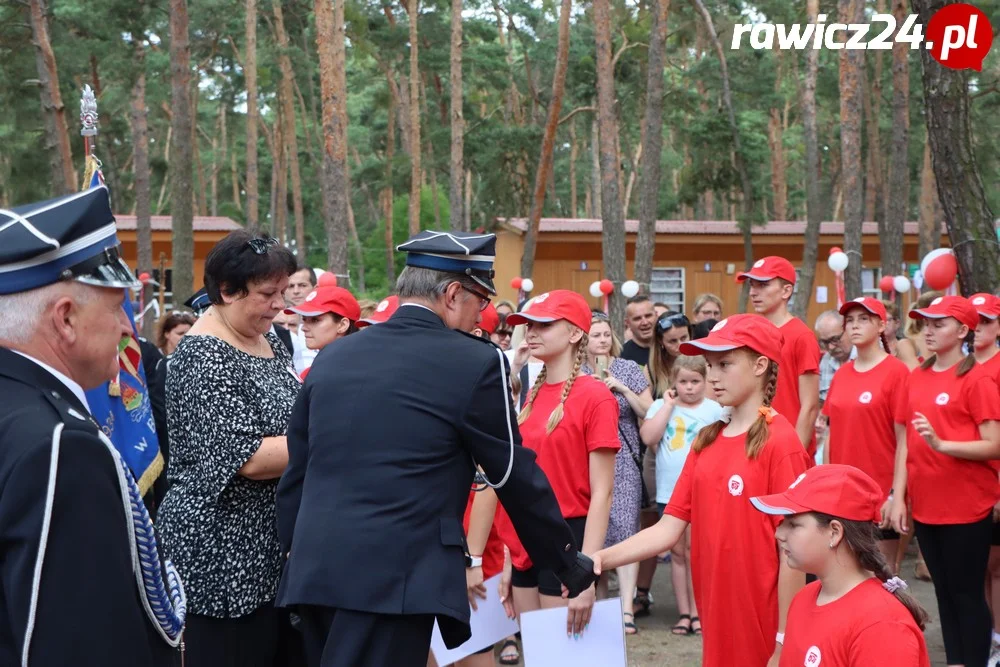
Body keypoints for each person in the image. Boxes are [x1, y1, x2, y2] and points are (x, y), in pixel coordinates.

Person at [275, 231, 597, 667]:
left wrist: (296, 547)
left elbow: (301, 466)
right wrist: (565, 560)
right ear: (451, 294)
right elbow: (510, 474)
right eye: (479, 301)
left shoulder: (336, 357)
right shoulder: (474, 362)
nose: (481, 315)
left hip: (316, 569)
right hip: (394, 577)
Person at [0, 187, 183, 665]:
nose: (128, 326)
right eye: (116, 306)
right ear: (65, 320)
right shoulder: (63, 446)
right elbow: (79, 642)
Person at [593, 314, 810, 667]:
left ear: (760, 365)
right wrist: (600, 560)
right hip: (716, 610)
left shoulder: (780, 442)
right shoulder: (707, 440)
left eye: (724, 363)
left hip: (763, 619)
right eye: (710, 365)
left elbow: (795, 556)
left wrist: (785, 639)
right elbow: (668, 527)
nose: (713, 375)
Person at [156, 230, 303, 666]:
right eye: (268, 294)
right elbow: (250, 459)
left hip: (268, 548)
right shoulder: (201, 357)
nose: (280, 304)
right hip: (222, 553)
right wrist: (331, 438)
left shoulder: (267, 337)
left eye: (282, 291)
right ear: (226, 291)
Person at [491, 291, 618, 634]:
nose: (531, 332)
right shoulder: (532, 393)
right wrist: (508, 561)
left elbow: (603, 493)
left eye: (544, 324)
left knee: (564, 655)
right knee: (538, 653)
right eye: (528, 324)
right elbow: (521, 485)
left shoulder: (597, 396)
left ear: (575, 333)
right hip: (525, 542)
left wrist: (586, 572)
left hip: (567, 539)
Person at [889, 295, 1000, 667]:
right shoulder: (916, 377)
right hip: (927, 506)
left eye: (939, 324)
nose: (929, 330)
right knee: (945, 595)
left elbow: (994, 444)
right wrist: (898, 495)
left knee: (967, 595)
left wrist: (942, 444)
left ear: (964, 330)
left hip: (967, 507)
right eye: (926, 323)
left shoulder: (977, 378)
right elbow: (905, 442)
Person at [750, 465, 930, 666]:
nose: (778, 534)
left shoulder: (882, 624)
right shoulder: (803, 598)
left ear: (834, 532)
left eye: (793, 524)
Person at [821, 298, 909, 569]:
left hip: (879, 494)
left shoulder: (896, 371)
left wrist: (895, 495)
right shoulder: (842, 374)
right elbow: (830, 434)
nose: (854, 326)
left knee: (882, 575)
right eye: (850, 320)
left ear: (882, 325)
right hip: (843, 493)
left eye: (864, 319)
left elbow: (905, 440)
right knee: (846, 573)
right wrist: (826, 484)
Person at [640, 354, 722, 637]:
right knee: (677, 552)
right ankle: (684, 613)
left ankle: (700, 612)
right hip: (669, 491)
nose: (689, 387)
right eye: (683, 381)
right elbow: (649, 438)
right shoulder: (662, 406)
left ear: (705, 380)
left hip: (706, 491)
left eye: (695, 381)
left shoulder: (715, 410)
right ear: (673, 381)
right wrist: (668, 406)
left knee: (696, 552)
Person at [584, 312, 652, 634]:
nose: (601, 340)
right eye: (594, 334)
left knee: (626, 531)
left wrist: (621, 388)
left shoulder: (628, 368)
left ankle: (626, 609)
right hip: (588, 459)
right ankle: (600, 605)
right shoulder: (578, 372)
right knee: (596, 532)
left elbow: (647, 411)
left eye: (604, 334)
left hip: (624, 460)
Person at [633, 309, 692, 617]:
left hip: (691, 456)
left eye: (685, 338)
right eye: (673, 341)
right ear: (661, 343)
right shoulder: (651, 371)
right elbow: (646, 412)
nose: (680, 345)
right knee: (653, 525)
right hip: (659, 457)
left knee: (691, 539)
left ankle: (695, 604)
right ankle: (642, 591)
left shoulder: (700, 363)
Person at [740, 256, 821, 456]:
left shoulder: (802, 336)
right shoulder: (750, 333)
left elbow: (810, 406)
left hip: (787, 447)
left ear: (786, 291)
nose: (753, 292)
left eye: (763, 285)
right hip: (754, 444)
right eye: (752, 285)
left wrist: (795, 454)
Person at [968, 293, 1000, 663]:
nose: (977, 328)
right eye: (973, 320)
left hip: (993, 481)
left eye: (986, 321)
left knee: (996, 567)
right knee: (975, 571)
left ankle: (996, 638)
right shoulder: (960, 366)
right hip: (964, 486)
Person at [284, 285, 361, 380]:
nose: (303, 328)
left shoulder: (363, 369)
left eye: (315, 320)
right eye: (304, 319)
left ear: (342, 325)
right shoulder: (310, 373)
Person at [286, 265, 319, 374]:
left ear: (315, 288)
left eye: (302, 285)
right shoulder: (270, 321)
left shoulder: (328, 323)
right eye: (290, 286)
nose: (296, 291)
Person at [814, 310, 851, 404]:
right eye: (825, 342)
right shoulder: (825, 361)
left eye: (835, 339)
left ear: (849, 330)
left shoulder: (866, 357)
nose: (831, 347)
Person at [881, 300, 920, 368]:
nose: (883, 323)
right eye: (880, 320)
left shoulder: (906, 345)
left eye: (887, 320)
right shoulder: (869, 347)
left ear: (897, 323)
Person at [621, 295, 657, 367]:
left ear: (656, 315)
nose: (645, 322)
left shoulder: (669, 349)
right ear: (627, 323)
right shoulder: (621, 357)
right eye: (637, 318)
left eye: (648, 316)